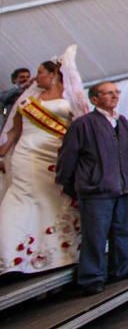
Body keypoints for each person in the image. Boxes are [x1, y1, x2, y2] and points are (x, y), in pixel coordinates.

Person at [0, 47, 88, 276]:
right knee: (22, 198)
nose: (35, 77)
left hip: (55, 155)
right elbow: (13, 132)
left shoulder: (70, 101)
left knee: (53, 198)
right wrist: (2, 153)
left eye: (40, 72)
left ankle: (57, 252)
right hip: (25, 154)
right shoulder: (28, 100)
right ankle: (12, 254)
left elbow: (81, 128)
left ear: (54, 74)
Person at [56, 82, 128, 295]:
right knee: (95, 235)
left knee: (124, 229)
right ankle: (91, 277)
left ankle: (122, 267)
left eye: (116, 92)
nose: (114, 96)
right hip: (97, 189)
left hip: (123, 186)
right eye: (108, 93)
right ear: (94, 99)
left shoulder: (120, 121)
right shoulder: (83, 125)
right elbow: (68, 156)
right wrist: (70, 183)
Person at [0, 68, 31, 133]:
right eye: (22, 77)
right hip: (5, 126)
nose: (26, 79)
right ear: (14, 80)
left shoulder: (31, 95)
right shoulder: (9, 93)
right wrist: (4, 113)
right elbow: (3, 100)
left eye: (28, 77)